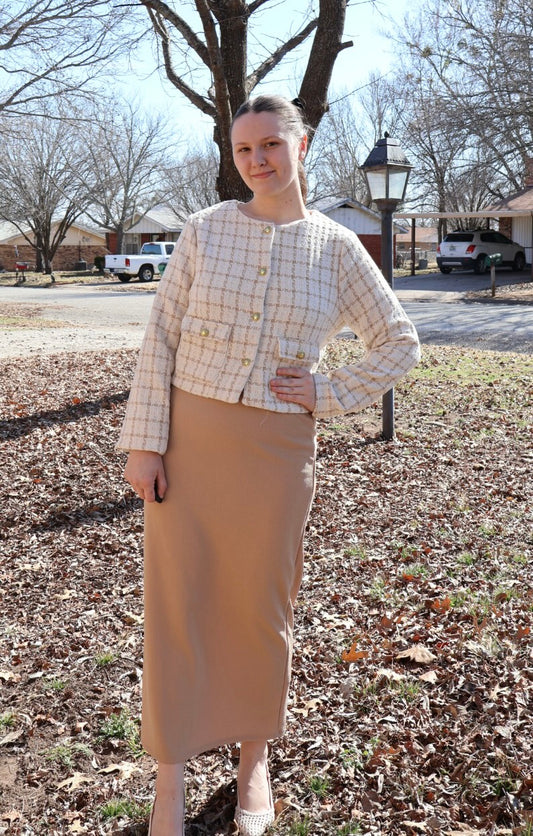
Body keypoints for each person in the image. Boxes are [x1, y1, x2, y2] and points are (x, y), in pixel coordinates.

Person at [118, 94, 420, 836]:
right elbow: (160, 340)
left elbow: (399, 341)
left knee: (261, 608)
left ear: (302, 144)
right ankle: (170, 778)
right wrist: (145, 442)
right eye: (243, 148)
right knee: (178, 604)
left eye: (269, 145)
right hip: (190, 442)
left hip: (278, 453)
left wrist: (327, 391)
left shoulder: (337, 247)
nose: (256, 160)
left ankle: (254, 761)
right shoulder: (205, 231)